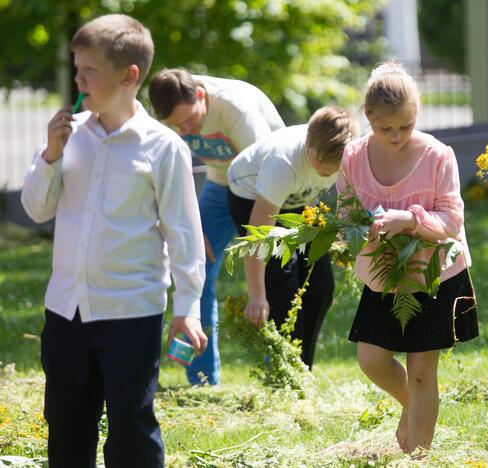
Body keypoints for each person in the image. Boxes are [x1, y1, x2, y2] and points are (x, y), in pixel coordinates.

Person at [21, 14, 207, 467]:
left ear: (129, 76)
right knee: (65, 422)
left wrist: (188, 308)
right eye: (76, 67)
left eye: (89, 70)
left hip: (131, 310)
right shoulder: (69, 138)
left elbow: (183, 233)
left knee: (131, 426)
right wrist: (49, 156)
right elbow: (36, 209)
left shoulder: (163, 148)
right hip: (66, 308)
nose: (78, 79)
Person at [336, 61, 479, 454]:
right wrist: (360, 227)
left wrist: (409, 220)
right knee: (371, 360)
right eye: (386, 128)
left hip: (434, 272)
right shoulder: (353, 156)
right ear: (368, 117)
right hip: (383, 274)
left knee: (421, 371)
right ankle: (413, 408)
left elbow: (451, 220)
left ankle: (420, 455)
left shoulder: (437, 155)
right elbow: (345, 214)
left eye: (406, 125)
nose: (397, 135)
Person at [148, 69, 285, 385]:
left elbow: (269, 171)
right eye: (176, 126)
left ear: (199, 94)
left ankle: (279, 375)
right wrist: (192, 232)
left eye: (189, 121)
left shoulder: (236, 108)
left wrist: (255, 236)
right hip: (220, 184)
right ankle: (200, 378)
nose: (185, 130)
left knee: (274, 275)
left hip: (265, 188)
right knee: (194, 270)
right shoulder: (173, 114)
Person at [227, 105, 358, 368]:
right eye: (318, 160)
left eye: (330, 167)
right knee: (282, 284)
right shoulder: (284, 163)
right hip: (252, 197)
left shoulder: (350, 157)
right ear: (308, 141)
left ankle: (301, 368)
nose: (323, 169)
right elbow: (258, 238)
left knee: (321, 286)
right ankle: (282, 367)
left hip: (298, 199)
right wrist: (256, 295)